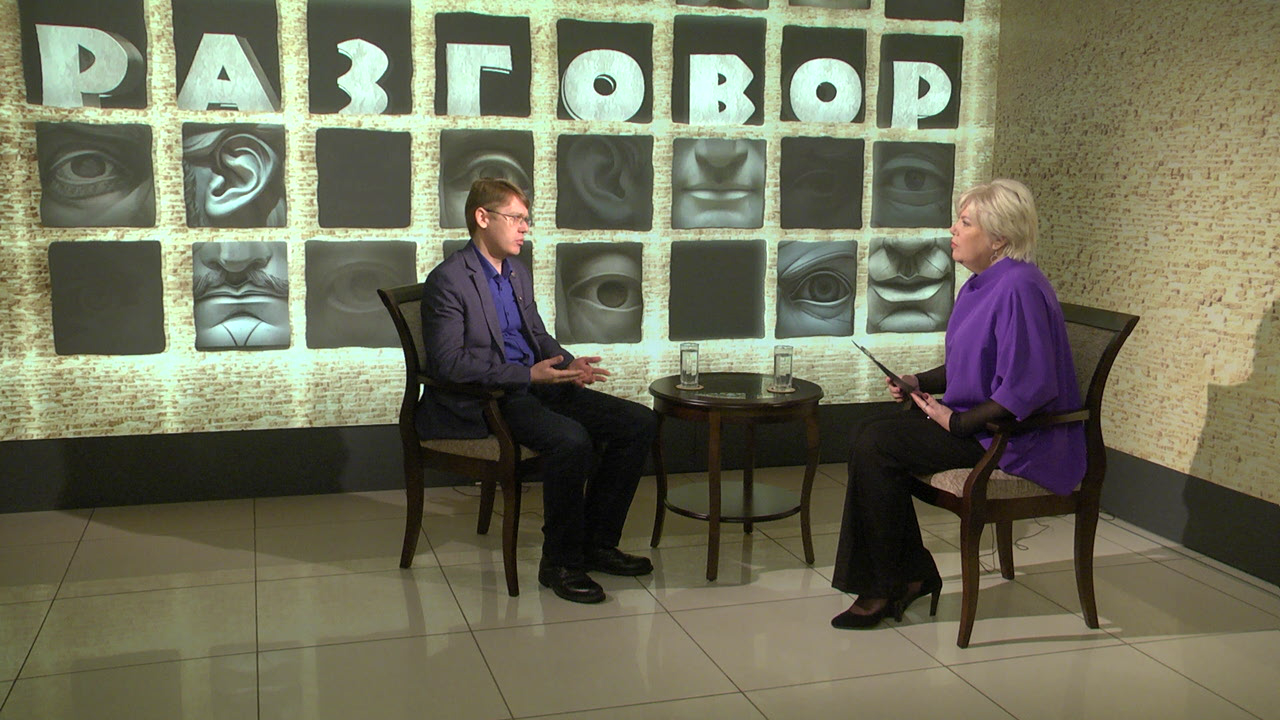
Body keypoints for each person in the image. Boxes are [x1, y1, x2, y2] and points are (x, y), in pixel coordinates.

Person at [831, 178, 1085, 629]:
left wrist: (958, 423)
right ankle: (906, 575)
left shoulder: (1020, 287)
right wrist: (917, 382)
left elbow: (1029, 386)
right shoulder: (980, 284)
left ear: (998, 238)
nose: (953, 229)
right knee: (868, 434)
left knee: (876, 443)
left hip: (1012, 437)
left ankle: (891, 584)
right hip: (980, 423)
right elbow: (971, 364)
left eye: (965, 222)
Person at [418, 178, 658, 604]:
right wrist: (526, 376)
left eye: (526, 219)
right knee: (571, 440)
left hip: (536, 384)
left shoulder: (516, 272)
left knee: (637, 422)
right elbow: (449, 364)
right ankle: (559, 563)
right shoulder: (449, 280)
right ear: (482, 218)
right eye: (515, 218)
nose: (524, 228)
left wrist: (567, 364)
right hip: (491, 398)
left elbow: (538, 335)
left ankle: (597, 544)